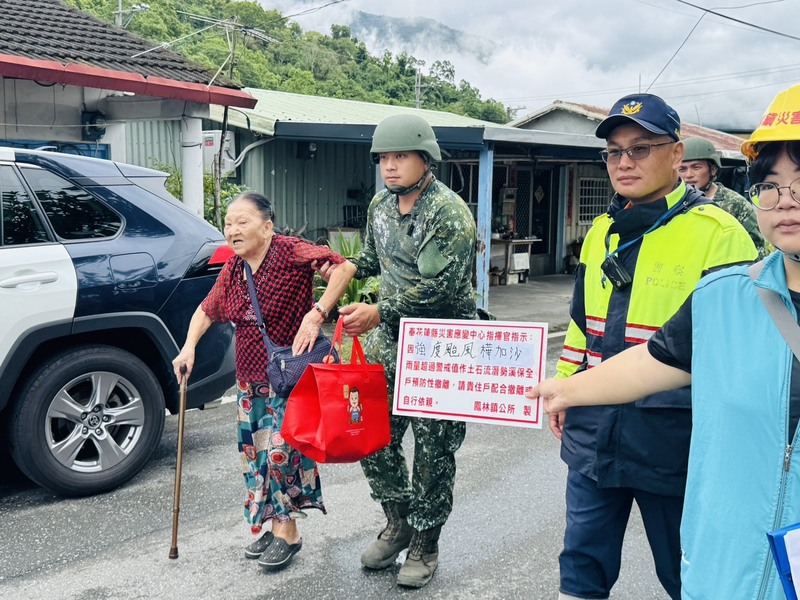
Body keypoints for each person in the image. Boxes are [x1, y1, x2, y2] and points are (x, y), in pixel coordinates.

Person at [529, 82, 800, 600]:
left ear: (678, 154)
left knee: (687, 568)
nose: (624, 162)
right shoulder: (601, 230)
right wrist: (565, 386)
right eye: (614, 152)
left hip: (674, 436)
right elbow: (582, 321)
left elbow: (739, 348)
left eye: (640, 149)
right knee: (581, 562)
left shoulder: (717, 233)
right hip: (595, 428)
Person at [317, 113, 477, 588]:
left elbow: (444, 288)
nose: (389, 167)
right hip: (389, 344)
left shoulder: (449, 212)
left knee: (433, 450)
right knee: (370, 432)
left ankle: (426, 544)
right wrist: (339, 267)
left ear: (425, 159)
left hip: (439, 345)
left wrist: (379, 310)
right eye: (383, 158)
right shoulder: (380, 207)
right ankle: (398, 520)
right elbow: (371, 257)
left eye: (399, 156)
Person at [172, 191, 356, 571]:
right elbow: (207, 309)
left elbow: (345, 268)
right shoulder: (234, 269)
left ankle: (289, 531)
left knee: (280, 451)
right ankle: (275, 526)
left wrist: (317, 312)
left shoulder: (290, 251)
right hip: (250, 380)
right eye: (228, 223)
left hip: (293, 376)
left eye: (242, 221)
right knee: (256, 459)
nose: (232, 230)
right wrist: (188, 347)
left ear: (267, 226)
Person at [678, 136, 769, 257]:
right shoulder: (673, 203)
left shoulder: (736, 204)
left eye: (696, 167)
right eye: (682, 169)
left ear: (713, 170)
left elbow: (756, 251)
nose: (689, 175)